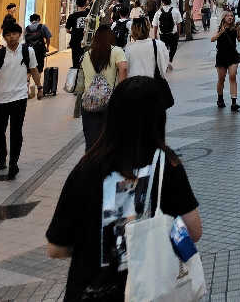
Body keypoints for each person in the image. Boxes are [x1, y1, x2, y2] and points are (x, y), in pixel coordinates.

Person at [46, 76, 201, 302]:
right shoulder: (166, 165)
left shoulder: (86, 168)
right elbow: (194, 231)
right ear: (158, 118)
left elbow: (55, 248)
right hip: (150, 290)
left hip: (90, 291)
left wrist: (93, 243)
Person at [0, 22, 43, 178]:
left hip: (19, 98)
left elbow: (34, 70)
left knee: (16, 132)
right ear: (4, 37)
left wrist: (40, 87)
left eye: (14, 34)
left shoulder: (28, 51)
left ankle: (13, 163)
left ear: (20, 34)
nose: (11, 37)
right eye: (8, 35)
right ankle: (2, 156)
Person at [80, 25, 128, 150]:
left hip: (89, 101)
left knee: (91, 140)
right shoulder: (116, 51)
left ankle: (91, 164)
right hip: (109, 101)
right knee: (110, 138)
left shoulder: (86, 55)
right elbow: (123, 67)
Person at [211, 10, 240, 111]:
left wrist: (238, 29)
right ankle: (220, 99)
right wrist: (221, 32)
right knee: (221, 79)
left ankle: (234, 102)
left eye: (232, 16)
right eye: (228, 16)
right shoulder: (219, 27)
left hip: (233, 56)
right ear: (224, 18)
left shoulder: (235, 28)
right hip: (221, 56)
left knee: (232, 76)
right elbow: (212, 39)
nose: (230, 17)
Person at [152, 0, 182, 69]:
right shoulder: (175, 11)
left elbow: (155, 25)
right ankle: (170, 60)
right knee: (173, 48)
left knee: (164, 49)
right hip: (173, 34)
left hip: (163, 35)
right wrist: (178, 33)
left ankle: (165, 62)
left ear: (162, 3)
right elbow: (179, 23)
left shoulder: (158, 12)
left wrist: (155, 35)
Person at [65, 0, 89, 67]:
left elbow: (67, 30)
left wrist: (74, 32)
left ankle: (76, 75)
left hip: (75, 41)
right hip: (87, 40)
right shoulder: (89, 15)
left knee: (75, 61)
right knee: (86, 61)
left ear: (77, 5)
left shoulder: (72, 16)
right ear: (86, 4)